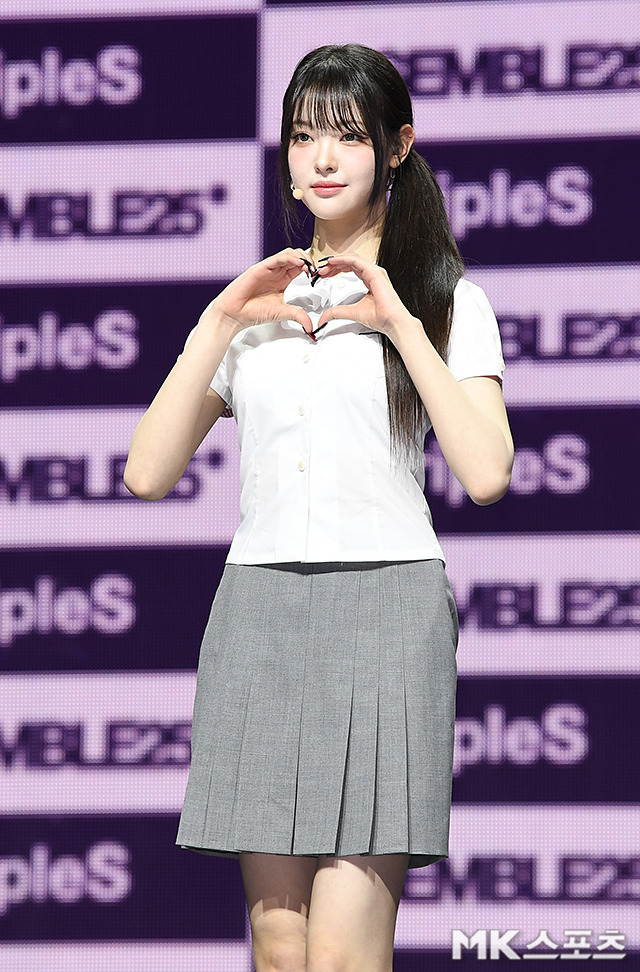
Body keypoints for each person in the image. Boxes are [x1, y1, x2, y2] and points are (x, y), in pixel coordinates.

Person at [124, 43, 513, 972]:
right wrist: (221, 319)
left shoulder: (448, 301)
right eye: (303, 137)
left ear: (397, 147)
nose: (322, 158)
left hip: (386, 608)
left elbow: (487, 471)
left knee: (341, 952)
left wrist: (400, 324)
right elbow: (146, 472)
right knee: (279, 943)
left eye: (347, 135)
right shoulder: (256, 306)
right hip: (259, 611)